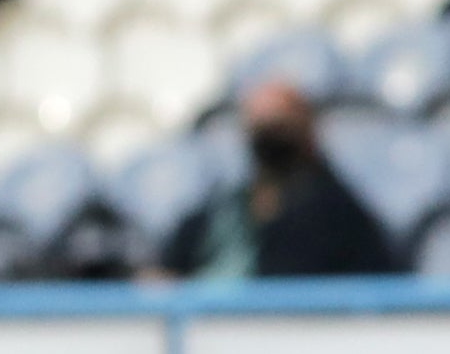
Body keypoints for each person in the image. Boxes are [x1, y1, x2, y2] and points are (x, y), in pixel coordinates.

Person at [162, 78, 401, 277]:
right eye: (261, 126)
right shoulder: (228, 206)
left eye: (281, 124)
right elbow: (173, 266)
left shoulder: (335, 211)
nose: (272, 134)